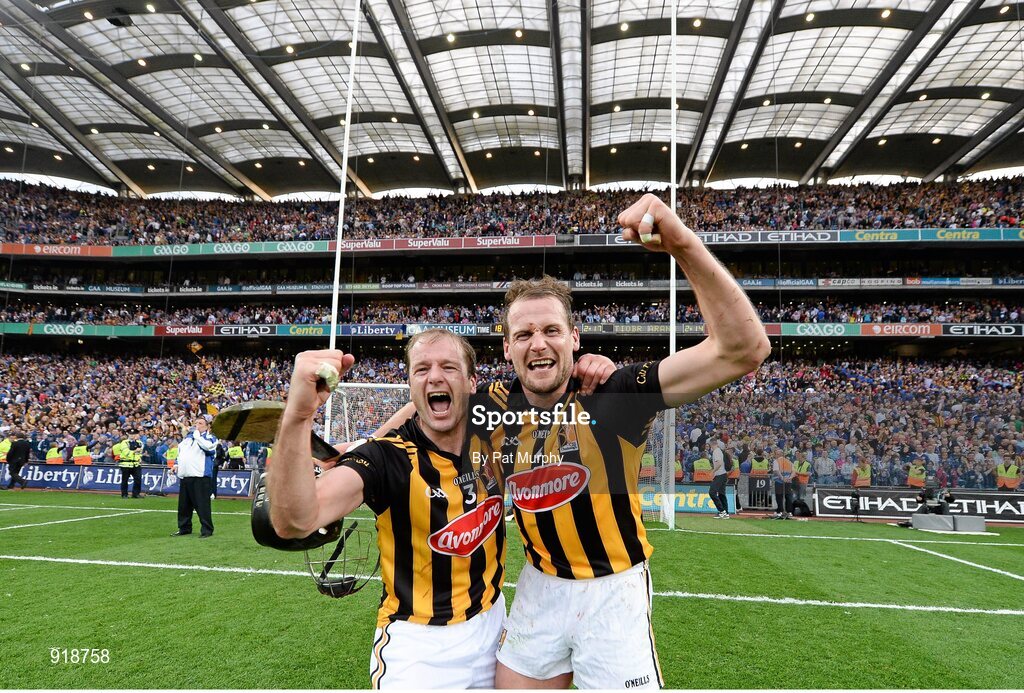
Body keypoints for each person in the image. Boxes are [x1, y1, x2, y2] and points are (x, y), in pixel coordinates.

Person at [481, 194, 769, 689]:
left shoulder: (614, 394)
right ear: (507, 347)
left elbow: (744, 349)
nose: (538, 342)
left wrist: (681, 244)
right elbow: (421, 407)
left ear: (575, 338)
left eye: (551, 330)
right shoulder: (490, 405)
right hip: (537, 587)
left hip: (613, 592)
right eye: (523, 334)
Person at [270, 332, 507, 689]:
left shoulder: (495, 421)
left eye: (448, 367)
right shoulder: (387, 457)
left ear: (473, 383)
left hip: (494, 623)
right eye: (421, 369)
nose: (435, 376)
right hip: (419, 647)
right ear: (410, 384)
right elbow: (295, 522)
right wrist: (299, 417)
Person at [171, 417, 217, 538]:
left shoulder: (210, 438)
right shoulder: (187, 439)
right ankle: (184, 528)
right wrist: (176, 464)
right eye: (196, 423)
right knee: (184, 505)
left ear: (207, 426)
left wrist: (197, 436)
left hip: (200, 476)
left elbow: (208, 448)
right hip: (186, 475)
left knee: (202, 505)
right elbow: (181, 454)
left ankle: (207, 530)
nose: (197, 425)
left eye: (200, 423)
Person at [709, 437, 730, 519]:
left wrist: (713, 471)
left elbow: (719, 463)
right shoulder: (719, 451)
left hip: (720, 475)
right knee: (721, 494)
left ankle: (721, 511)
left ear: (711, 444)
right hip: (723, 474)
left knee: (712, 492)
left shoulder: (716, 451)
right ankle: (726, 513)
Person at [119, 430, 143, 498]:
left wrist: (139, 457)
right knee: (125, 480)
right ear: (128, 434)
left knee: (138, 479)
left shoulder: (139, 443)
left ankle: (136, 494)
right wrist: (135, 451)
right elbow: (126, 452)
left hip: (136, 463)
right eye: (130, 434)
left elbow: (139, 453)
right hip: (126, 463)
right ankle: (124, 494)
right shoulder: (124, 442)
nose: (132, 435)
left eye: (133, 434)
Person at [771, 448, 794, 519]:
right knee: (788, 496)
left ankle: (780, 511)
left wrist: (782, 478)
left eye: (776, 454)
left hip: (779, 481)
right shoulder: (789, 461)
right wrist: (790, 478)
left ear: (778, 454)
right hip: (788, 481)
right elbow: (794, 471)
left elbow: (776, 471)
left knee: (779, 496)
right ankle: (789, 512)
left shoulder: (776, 461)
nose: (775, 455)